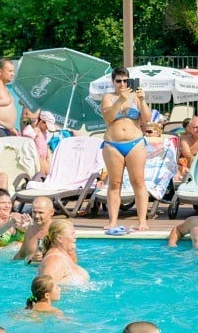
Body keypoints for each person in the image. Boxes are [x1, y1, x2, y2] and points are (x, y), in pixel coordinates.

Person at [100, 67, 151, 231]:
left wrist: (142, 101)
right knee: (114, 183)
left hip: (135, 143)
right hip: (112, 144)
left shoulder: (136, 97)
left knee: (138, 182)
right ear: (113, 82)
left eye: (125, 80)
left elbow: (147, 119)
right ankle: (113, 220)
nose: (122, 84)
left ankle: (142, 221)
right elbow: (108, 117)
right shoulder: (108, 97)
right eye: (118, 81)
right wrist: (121, 100)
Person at [39, 219, 90, 286]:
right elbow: (43, 290)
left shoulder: (65, 255)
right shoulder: (54, 260)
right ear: (59, 238)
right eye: (72, 234)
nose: (75, 237)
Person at [14, 197, 55, 263]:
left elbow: (70, 257)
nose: (36, 216)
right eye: (34, 212)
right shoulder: (30, 231)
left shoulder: (58, 230)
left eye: (41, 212)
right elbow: (21, 256)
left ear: (52, 212)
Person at [0, 60, 18, 139]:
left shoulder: (3, 86)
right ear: (0, 71)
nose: (13, 74)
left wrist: (11, 128)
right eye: (10, 71)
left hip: (5, 130)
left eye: (13, 71)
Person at [23, 110, 53, 175]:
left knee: (49, 174)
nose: (47, 128)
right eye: (47, 126)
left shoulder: (45, 133)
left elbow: (45, 145)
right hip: (38, 158)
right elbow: (26, 135)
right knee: (45, 175)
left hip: (44, 159)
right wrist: (34, 121)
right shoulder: (36, 130)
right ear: (42, 122)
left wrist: (48, 157)